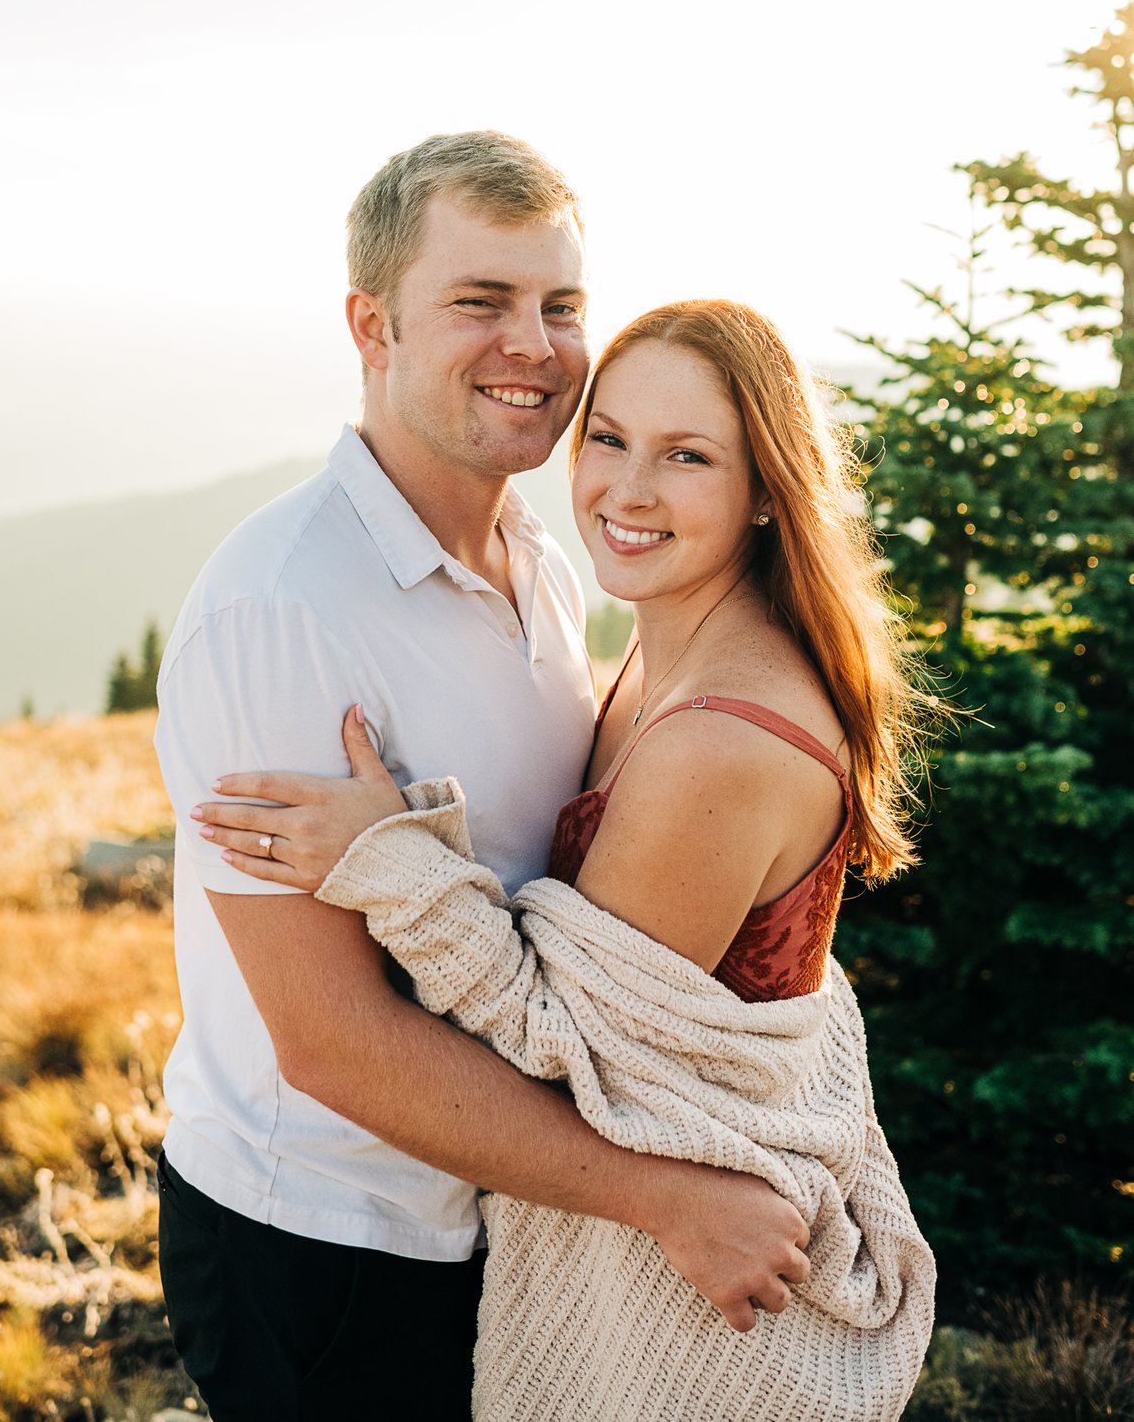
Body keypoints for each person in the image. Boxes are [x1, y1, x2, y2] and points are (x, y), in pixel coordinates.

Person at [151, 134, 813, 1422]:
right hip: (336, 1241)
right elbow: (333, 1044)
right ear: (372, 324)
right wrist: (666, 1198)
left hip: (514, 1223)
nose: (536, 343)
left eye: (560, 305)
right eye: (480, 301)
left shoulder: (548, 562)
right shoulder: (280, 612)